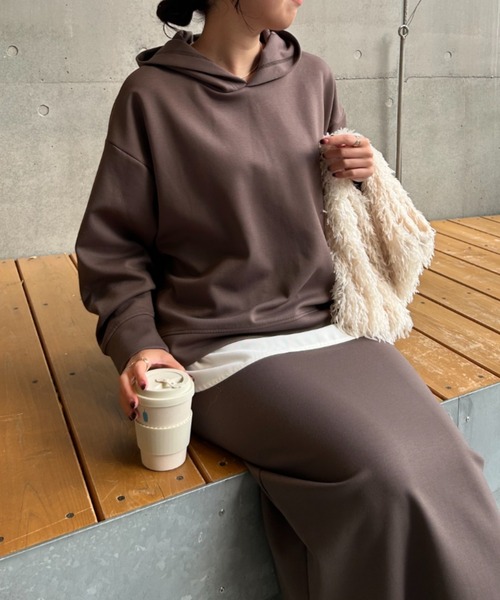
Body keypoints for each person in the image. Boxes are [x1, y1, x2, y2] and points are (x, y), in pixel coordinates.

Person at [76, 1, 500, 598]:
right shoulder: (149, 96)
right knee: (383, 476)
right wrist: (138, 342)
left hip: (328, 323)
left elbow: (336, 210)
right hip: (220, 343)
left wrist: (360, 172)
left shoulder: (313, 76)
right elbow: (112, 248)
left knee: (452, 465)